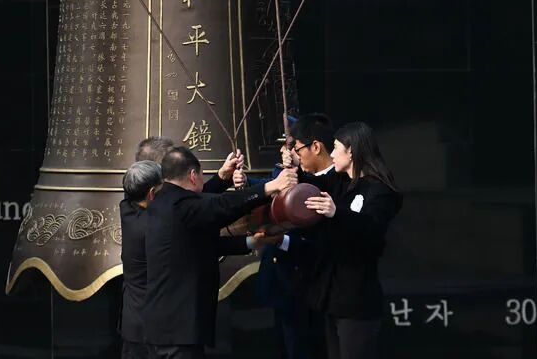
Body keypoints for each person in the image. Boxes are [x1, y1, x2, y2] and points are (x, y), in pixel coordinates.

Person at [144, 147, 298, 358]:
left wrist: (222, 178)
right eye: (201, 175)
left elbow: (202, 209)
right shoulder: (182, 207)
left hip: (167, 324)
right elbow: (219, 206)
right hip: (178, 329)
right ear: (192, 175)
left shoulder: (163, 201)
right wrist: (270, 187)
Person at [281, 122, 403, 359]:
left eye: (336, 148)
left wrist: (337, 213)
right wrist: (295, 167)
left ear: (352, 152)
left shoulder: (379, 191)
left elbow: (371, 228)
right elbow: (314, 185)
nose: (333, 154)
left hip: (357, 300)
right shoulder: (342, 182)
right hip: (333, 298)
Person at [257, 113, 335, 359]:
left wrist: (283, 241)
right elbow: (272, 193)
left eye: (294, 147)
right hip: (281, 278)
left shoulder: (327, 181)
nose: (288, 152)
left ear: (314, 147)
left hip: (307, 279)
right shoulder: (285, 171)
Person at [119, 160, 163, 359]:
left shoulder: (126, 208)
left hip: (132, 325)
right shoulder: (154, 227)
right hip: (154, 330)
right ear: (152, 193)